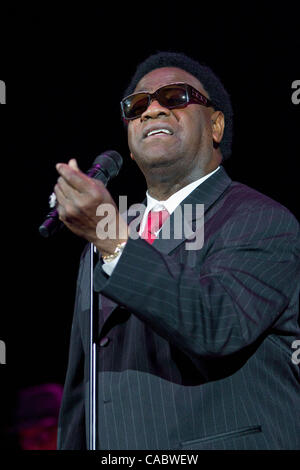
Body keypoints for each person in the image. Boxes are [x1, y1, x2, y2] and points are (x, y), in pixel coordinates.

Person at [55, 52, 300, 450]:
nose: (151, 109)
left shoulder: (261, 220)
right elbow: (84, 387)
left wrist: (115, 241)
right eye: (137, 106)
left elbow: (219, 324)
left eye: (174, 97)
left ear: (216, 125)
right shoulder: (105, 240)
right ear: (131, 146)